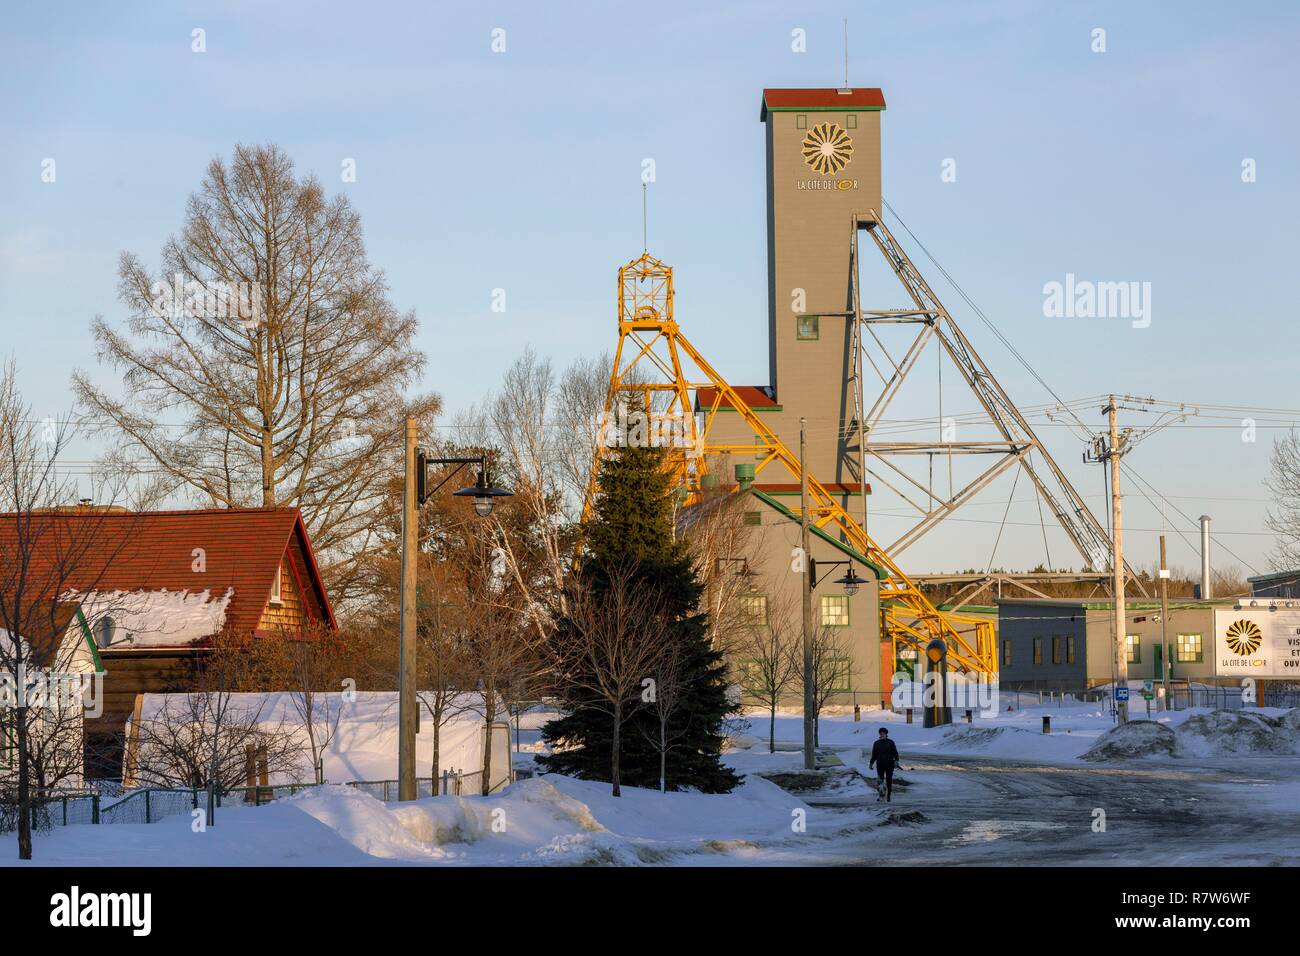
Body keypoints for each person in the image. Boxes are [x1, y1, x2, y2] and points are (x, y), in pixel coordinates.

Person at [868, 727, 900, 802]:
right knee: (880, 781)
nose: (882, 735)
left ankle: (888, 795)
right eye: (880, 734)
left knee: (889, 780)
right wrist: (871, 763)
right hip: (880, 765)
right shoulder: (876, 743)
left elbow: (895, 753)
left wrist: (896, 761)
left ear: (886, 734)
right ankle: (881, 796)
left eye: (883, 734)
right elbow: (874, 755)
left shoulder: (890, 742)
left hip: (889, 764)